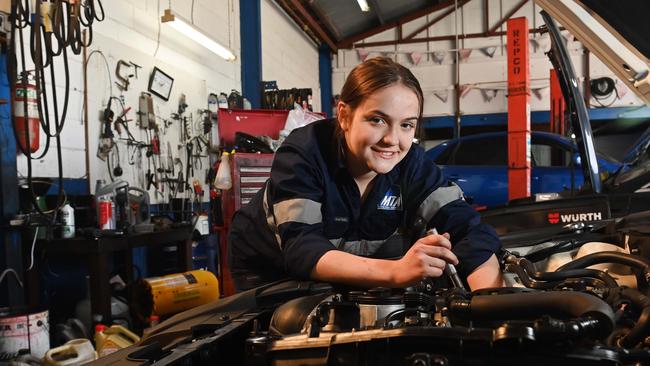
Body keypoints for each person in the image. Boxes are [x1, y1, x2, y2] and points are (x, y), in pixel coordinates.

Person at [229, 56, 503, 292]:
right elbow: (303, 249)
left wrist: (489, 307)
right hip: (269, 270)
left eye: (407, 125)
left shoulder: (412, 164)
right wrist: (396, 272)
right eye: (377, 120)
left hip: (357, 270)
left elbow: (470, 231)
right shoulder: (304, 153)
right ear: (344, 116)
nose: (392, 139)